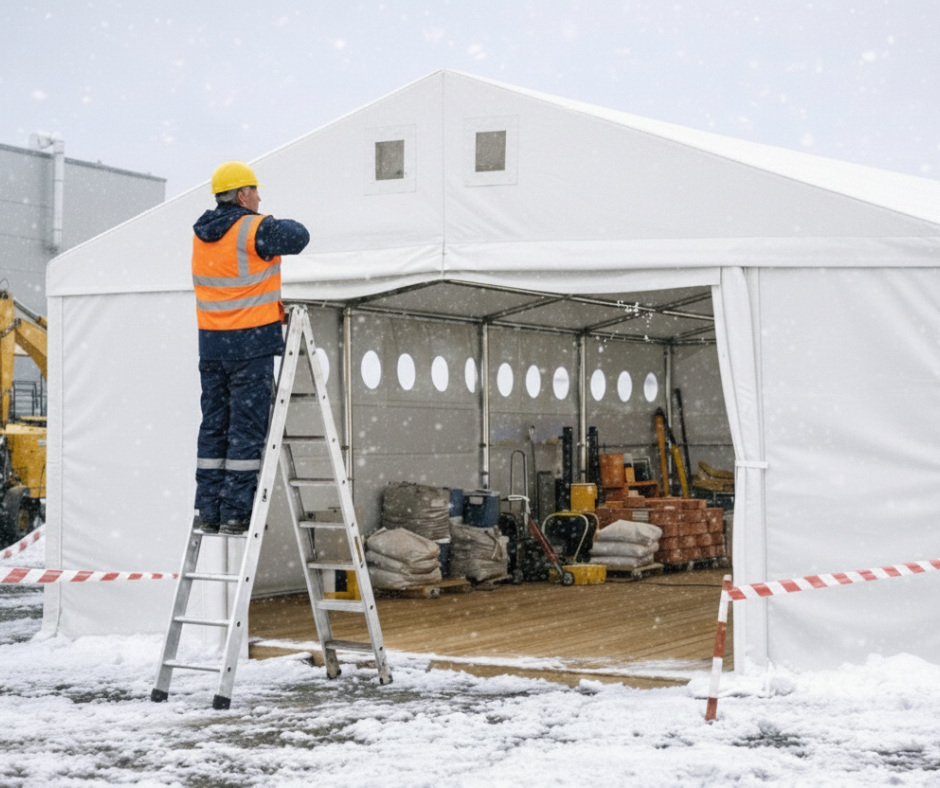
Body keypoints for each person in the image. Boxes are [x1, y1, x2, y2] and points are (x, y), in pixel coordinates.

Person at [191, 161, 309, 534]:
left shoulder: (201, 234)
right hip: (250, 345)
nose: (260, 197)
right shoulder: (253, 229)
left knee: (214, 429)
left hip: (211, 346)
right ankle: (236, 515)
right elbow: (300, 236)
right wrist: (264, 221)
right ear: (242, 195)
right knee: (245, 431)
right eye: (256, 191)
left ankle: (209, 512)